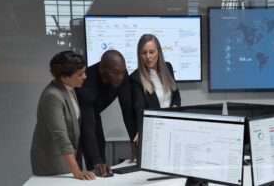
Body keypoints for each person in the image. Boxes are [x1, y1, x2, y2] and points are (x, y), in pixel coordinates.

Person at [30, 51, 96, 180]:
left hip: (65, 159)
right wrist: (77, 171)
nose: (85, 77)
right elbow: (60, 135)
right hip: (53, 163)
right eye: (80, 74)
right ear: (64, 77)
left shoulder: (68, 87)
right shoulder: (52, 96)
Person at [75, 49, 136, 177]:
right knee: (78, 165)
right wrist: (96, 162)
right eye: (115, 73)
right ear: (102, 69)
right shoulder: (87, 83)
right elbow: (87, 127)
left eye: (122, 72)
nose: (120, 76)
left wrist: (134, 143)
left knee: (102, 165)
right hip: (75, 120)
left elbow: (127, 111)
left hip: (94, 114)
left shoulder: (122, 76)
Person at [130, 34, 181, 142]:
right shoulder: (136, 78)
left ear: (159, 52)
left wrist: (173, 110)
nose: (148, 57)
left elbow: (176, 97)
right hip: (154, 130)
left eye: (151, 52)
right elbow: (140, 108)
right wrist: (141, 129)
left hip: (173, 126)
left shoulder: (168, 68)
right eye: (144, 53)